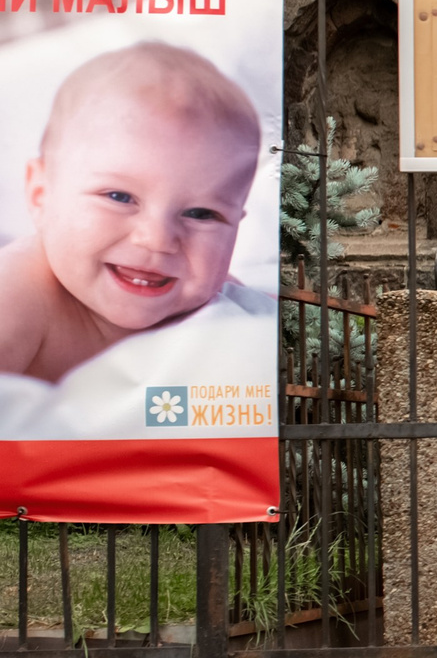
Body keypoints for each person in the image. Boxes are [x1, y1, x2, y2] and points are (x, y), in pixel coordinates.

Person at [0, 42, 274, 411]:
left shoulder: (212, 306)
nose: (158, 240)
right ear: (40, 194)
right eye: (119, 196)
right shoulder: (19, 293)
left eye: (201, 214)